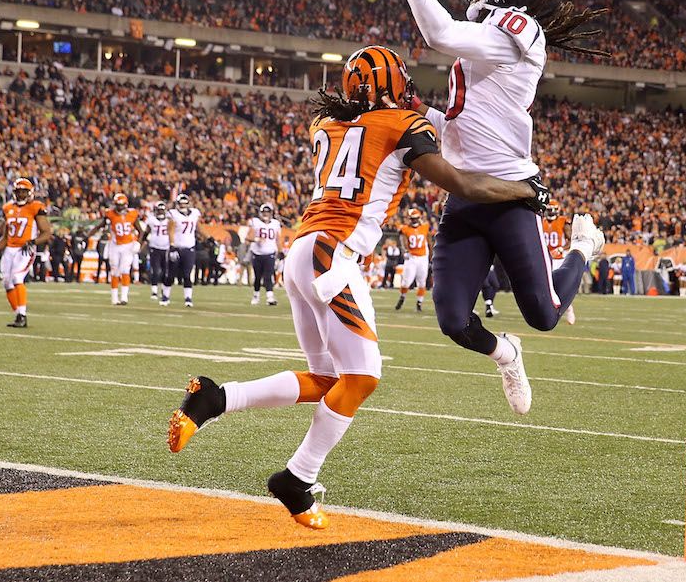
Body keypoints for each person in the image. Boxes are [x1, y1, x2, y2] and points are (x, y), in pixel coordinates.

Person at [167, 45, 545, 530]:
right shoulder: (401, 125)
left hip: (302, 252)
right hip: (334, 256)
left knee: (330, 383)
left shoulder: (326, 126)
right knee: (363, 378)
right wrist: (525, 190)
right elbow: (462, 184)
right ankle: (298, 478)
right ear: (392, 86)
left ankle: (215, 399)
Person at [381, 0, 606, 413]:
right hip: (465, 194)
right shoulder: (491, 44)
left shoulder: (518, 28)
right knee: (453, 319)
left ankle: (584, 247)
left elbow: (438, 33)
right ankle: (506, 353)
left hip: (508, 195)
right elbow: (467, 124)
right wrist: (423, 112)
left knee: (544, 314)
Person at [0, 178, 51, 328]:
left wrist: (33, 242)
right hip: (10, 249)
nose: (20, 194)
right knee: (6, 281)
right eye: (18, 191)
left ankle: (22, 315)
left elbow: (46, 233)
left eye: (23, 191)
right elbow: (5, 236)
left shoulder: (36, 207)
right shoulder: (8, 208)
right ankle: (17, 314)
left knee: (17, 277)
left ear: (30, 192)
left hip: (25, 248)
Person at [86, 193, 144, 305]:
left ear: (126, 205)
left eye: (121, 205)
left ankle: (124, 297)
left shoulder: (132, 214)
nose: (119, 207)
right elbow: (99, 226)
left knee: (125, 270)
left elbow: (141, 231)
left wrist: (138, 243)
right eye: (117, 205)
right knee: (114, 270)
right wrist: (87, 235)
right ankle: (114, 298)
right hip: (114, 245)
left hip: (128, 245)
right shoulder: (110, 214)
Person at [162, 193, 203, 307]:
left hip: (189, 248)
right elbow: (170, 230)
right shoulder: (173, 214)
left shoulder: (194, 213)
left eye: (185, 203)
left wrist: (209, 238)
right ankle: (165, 296)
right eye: (181, 203)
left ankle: (188, 298)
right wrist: (172, 245)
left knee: (187, 274)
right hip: (177, 247)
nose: (183, 205)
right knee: (170, 275)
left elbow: (198, 227)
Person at [542, 200, 575, 325]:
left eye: (551, 210)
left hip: (558, 259)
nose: (548, 212)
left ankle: (569, 309)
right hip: (545, 258)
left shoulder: (562, 221)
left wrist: (561, 248)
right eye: (548, 209)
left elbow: (570, 241)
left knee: (560, 286)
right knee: (545, 286)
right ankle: (549, 311)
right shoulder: (542, 221)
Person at [395, 208, 431, 311]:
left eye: (416, 218)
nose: (414, 221)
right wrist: (404, 250)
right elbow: (402, 239)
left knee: (422, 282)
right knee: (406, 282)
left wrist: (431, 255)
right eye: (412, 219)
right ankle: (402, 297)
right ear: (409, 219)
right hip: (411, 258)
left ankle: (419, 303)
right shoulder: (405, 229)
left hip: (423, 258)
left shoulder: (425, 226)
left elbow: (429, 241)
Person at [247, 203, 281, 306]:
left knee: (268, 275)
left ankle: (270, 297)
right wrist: (257, 239)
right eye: (264, 212)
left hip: (270, 253)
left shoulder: (275, 223)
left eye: (268, 212)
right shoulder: (255, 222)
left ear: (271, 213)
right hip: (257, 253)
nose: (266, 214)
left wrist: (280, 251)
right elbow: (248, 238)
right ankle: (256, 295)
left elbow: (278, 239)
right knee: (257, 276)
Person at [141, 201, 170, 299]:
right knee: (155, 270)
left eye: (162, 210)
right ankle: (154, 291)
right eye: (159, 210)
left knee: (165, 271)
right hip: (154, 247)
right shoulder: (151, 220)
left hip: (166, 247)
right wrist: (141, 242)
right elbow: (146, 233)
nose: (160, 212)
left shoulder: (169, 220)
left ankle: (164, 290)